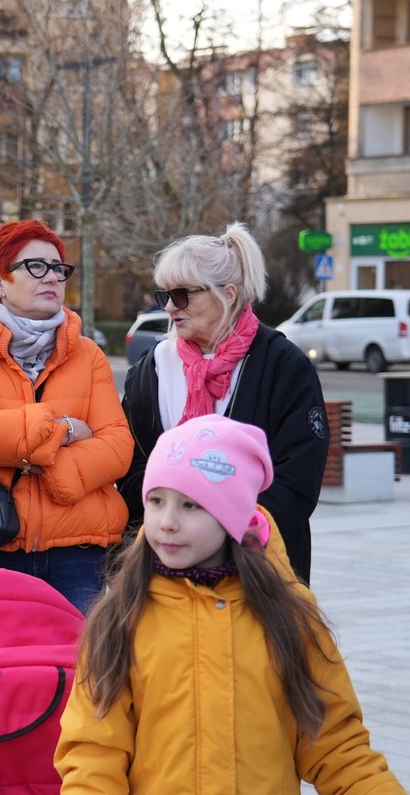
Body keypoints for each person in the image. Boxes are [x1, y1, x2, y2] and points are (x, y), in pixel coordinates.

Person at [53, 414, 410, 795]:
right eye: (157, 500)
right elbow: (92, 762)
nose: (166, 522)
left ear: (233, 513)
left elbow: (337, 747)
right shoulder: (121, 621)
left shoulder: (290, 619)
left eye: (191, 505)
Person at [0, 219, 132, 611]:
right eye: (35, 266)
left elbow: (118, 448)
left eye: (58, 267)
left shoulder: (88, 354)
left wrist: (29, 456)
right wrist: (64, 431)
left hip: (79, 554)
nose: (53, 277)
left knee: (78, 669)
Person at [119, 225, 328, 583]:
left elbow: (297, 477)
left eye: (182, 295)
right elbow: (131, 464)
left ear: (228, 294)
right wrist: (167, 529)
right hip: (165, 566)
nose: (170, 307)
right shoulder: (151, 369)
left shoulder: (283, 365)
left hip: (259, 571)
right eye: (164, 295)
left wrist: (224, 537)